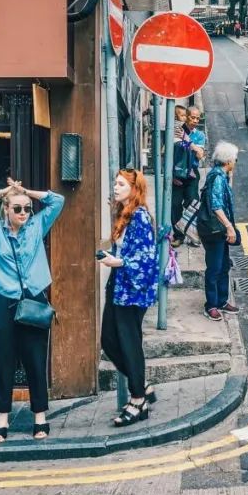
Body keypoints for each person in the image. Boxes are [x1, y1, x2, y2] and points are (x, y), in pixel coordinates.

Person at [0, 177, 64, 443]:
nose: (23, 213)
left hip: (33, 299)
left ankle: (40, 417)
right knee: (4, 362)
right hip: (3, 300)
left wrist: (25, 192)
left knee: (35, 359)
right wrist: (5, 192)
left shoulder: (37, 226)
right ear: (6, 210)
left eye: (26, 208)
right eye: (17, 208)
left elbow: (57, 201)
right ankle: (2, 419)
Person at [97, 169, 159, 427]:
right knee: (109, 341)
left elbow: (147, 257)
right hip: (118, 285)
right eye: (115, 183)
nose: (115, 187)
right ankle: (142, 385)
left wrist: (118, 261)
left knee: (129, 343)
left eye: (121, 184)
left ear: (134, 189)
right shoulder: (124, 215)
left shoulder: (141, 217)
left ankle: (137, 400)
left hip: (132, 290)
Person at [200, 142, 240, 321]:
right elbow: (216, 206)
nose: (236, 162)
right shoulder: (217, 178)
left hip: (220, 230)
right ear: (229, 160)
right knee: (215, 267)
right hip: (214, 230)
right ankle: (211, 305)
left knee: (224, 265)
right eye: (235, 160)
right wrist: (229, 226)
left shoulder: (222, 175)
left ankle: (222, 301)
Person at [172, 106, 207, 247]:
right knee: (174, 206)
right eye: (192, 117)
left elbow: (200, 154)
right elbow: (168, 153)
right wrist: (172, 175)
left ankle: (193, 234)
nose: (195, 120)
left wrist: (187, 140)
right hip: (177, 174)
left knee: (193, 204)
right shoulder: (176, 131)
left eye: (198, 118)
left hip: (192, 174)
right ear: (186, 117)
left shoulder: (199, 135)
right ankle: (178, 235)